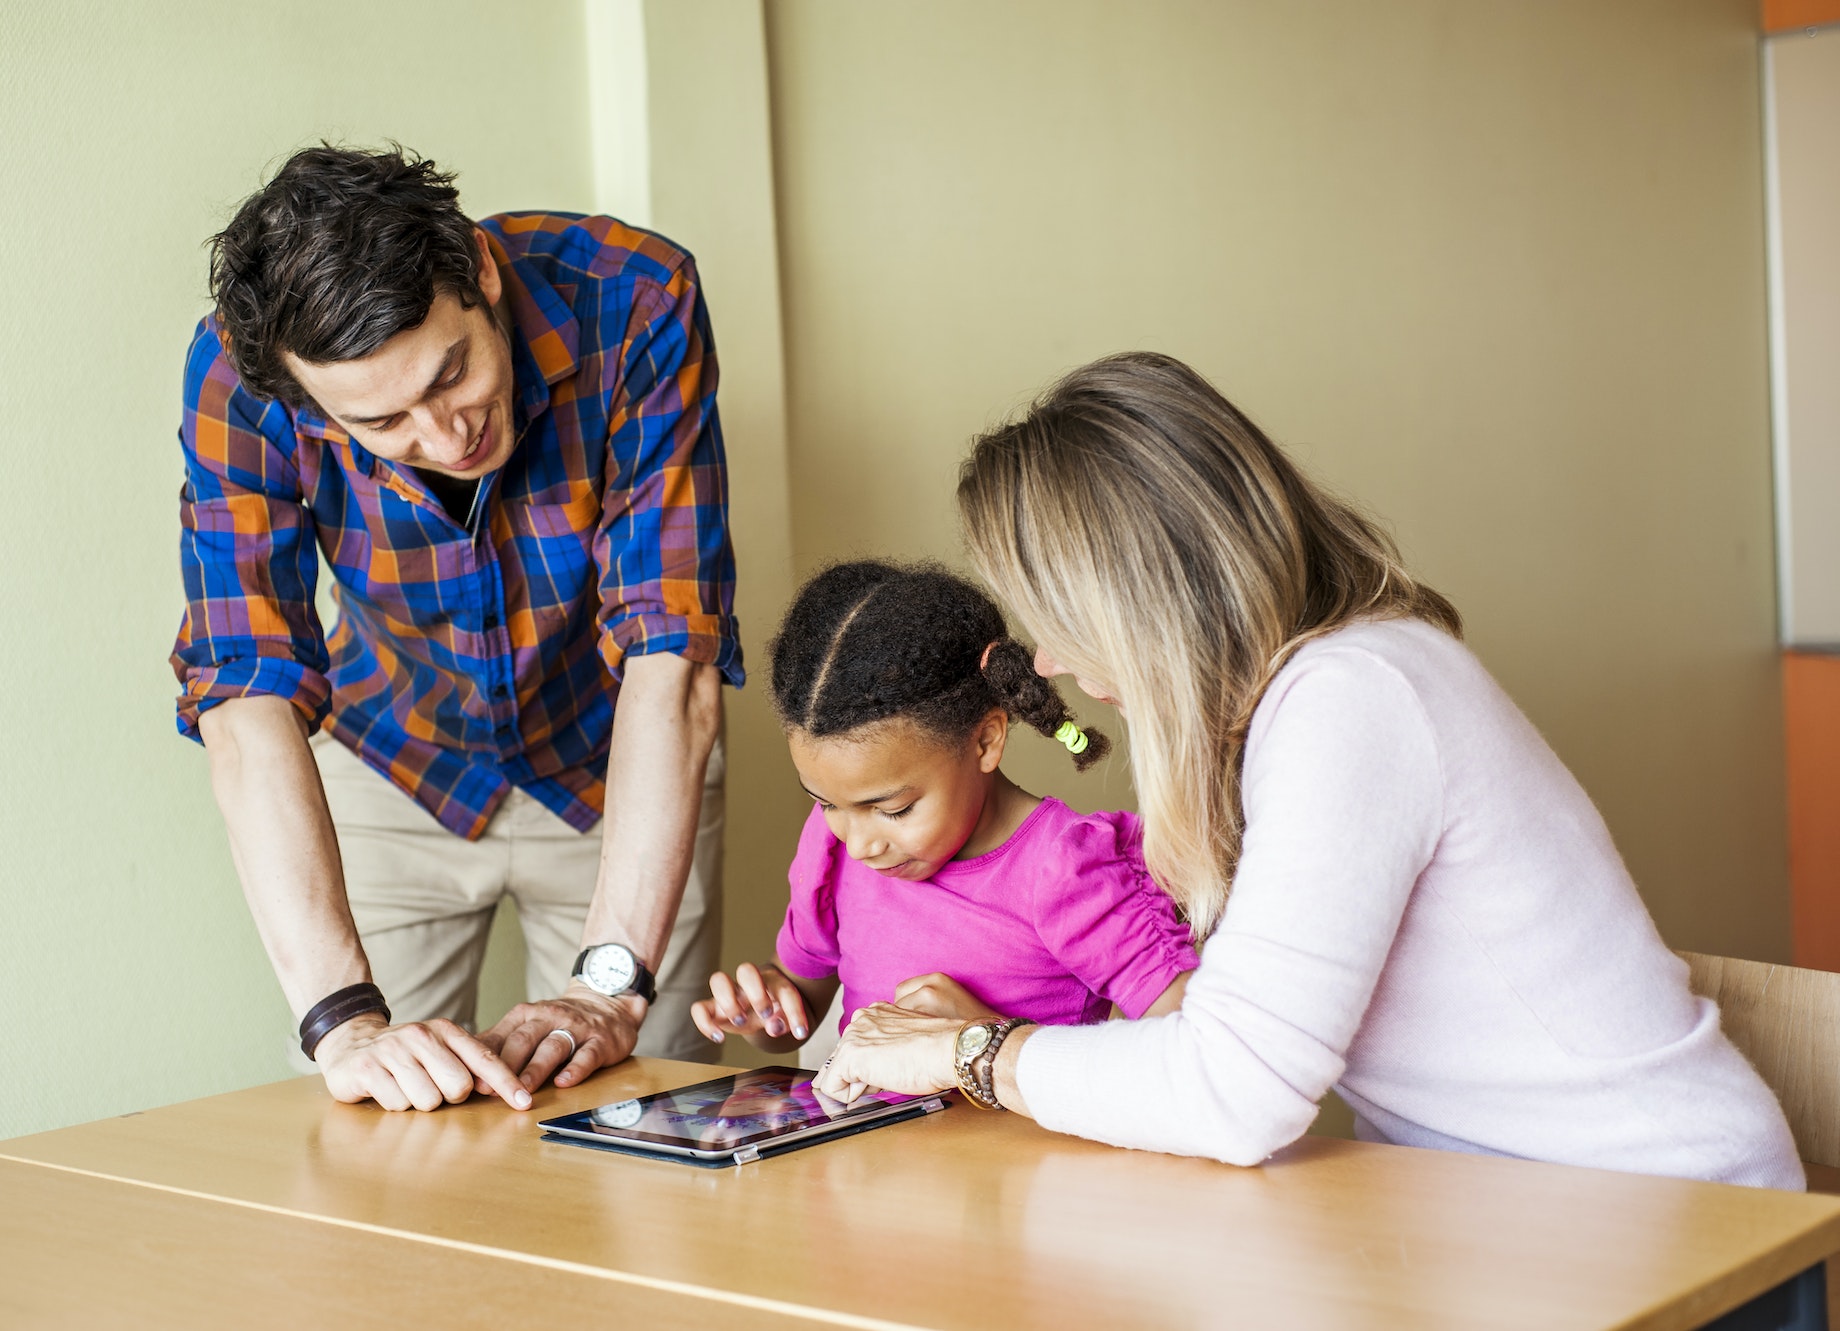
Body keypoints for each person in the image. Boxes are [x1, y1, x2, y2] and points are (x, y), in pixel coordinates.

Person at [814, 353, 1803, 1189]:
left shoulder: (1353, 700)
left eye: (1061, 622)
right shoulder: (1306, 702)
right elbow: (1225, 1044)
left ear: (1136, 599)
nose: (1057, 664)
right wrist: (990, 1041)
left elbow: (1234, 1091)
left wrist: (969, 1053)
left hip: (1663, 1216)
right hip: (1485, 1201)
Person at [171, 144, 739, 1113]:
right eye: (383, 423)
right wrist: (341, 1018)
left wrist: (607, 986)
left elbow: (670, 652)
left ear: (478, 269)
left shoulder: (637, 299)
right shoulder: (239, 376)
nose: (445, 438)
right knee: (379, 1130)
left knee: (648, 1137)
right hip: (394, 762)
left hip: (615, 763)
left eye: (453, 375)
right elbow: (243, 689)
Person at [693, 561, 1199, 1081]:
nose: (860, 843)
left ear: (986, 741)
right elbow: (804, 1006)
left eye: (894, 810)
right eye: (826, 802)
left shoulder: (1069, 870)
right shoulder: (833, 847)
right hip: (860, 1158)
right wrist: (766, 1011)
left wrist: (987, 1039)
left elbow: (1200, 1056)